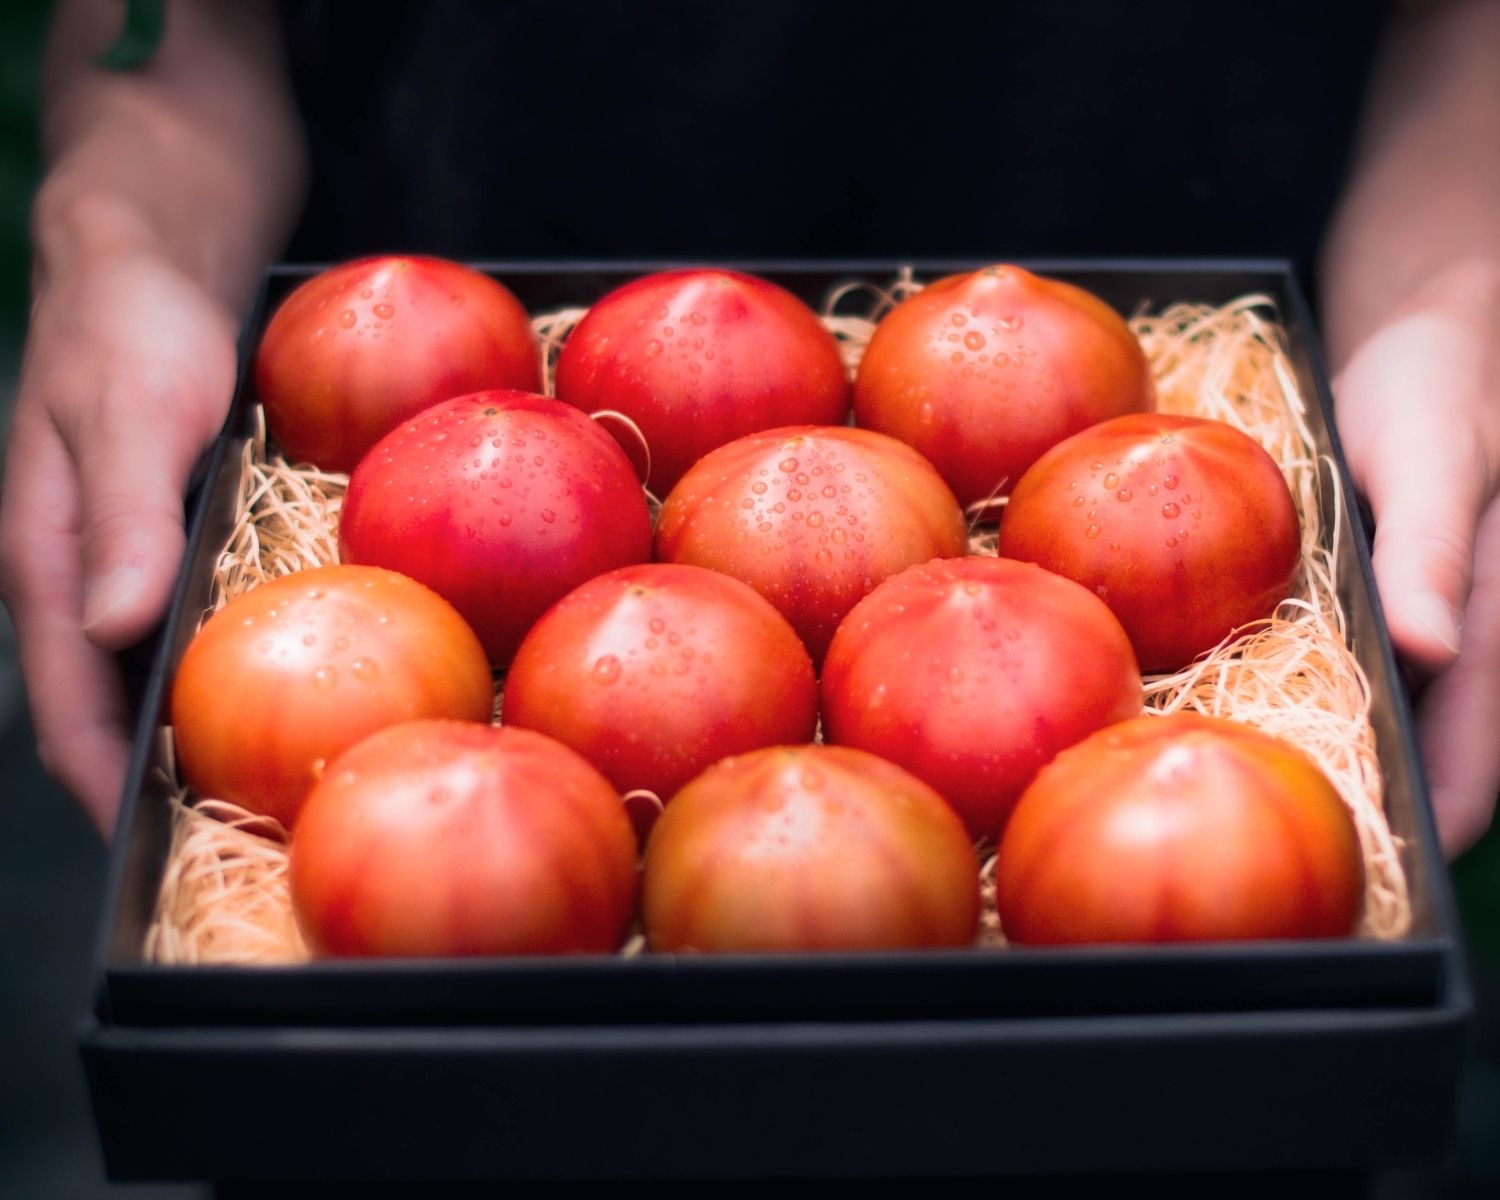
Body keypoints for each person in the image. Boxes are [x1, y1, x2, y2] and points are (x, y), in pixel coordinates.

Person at [2, 0, 1496, 854]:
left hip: (1218, 270)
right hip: (413, 313)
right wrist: (128, 223)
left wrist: (1456, 290)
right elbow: (160, 30)